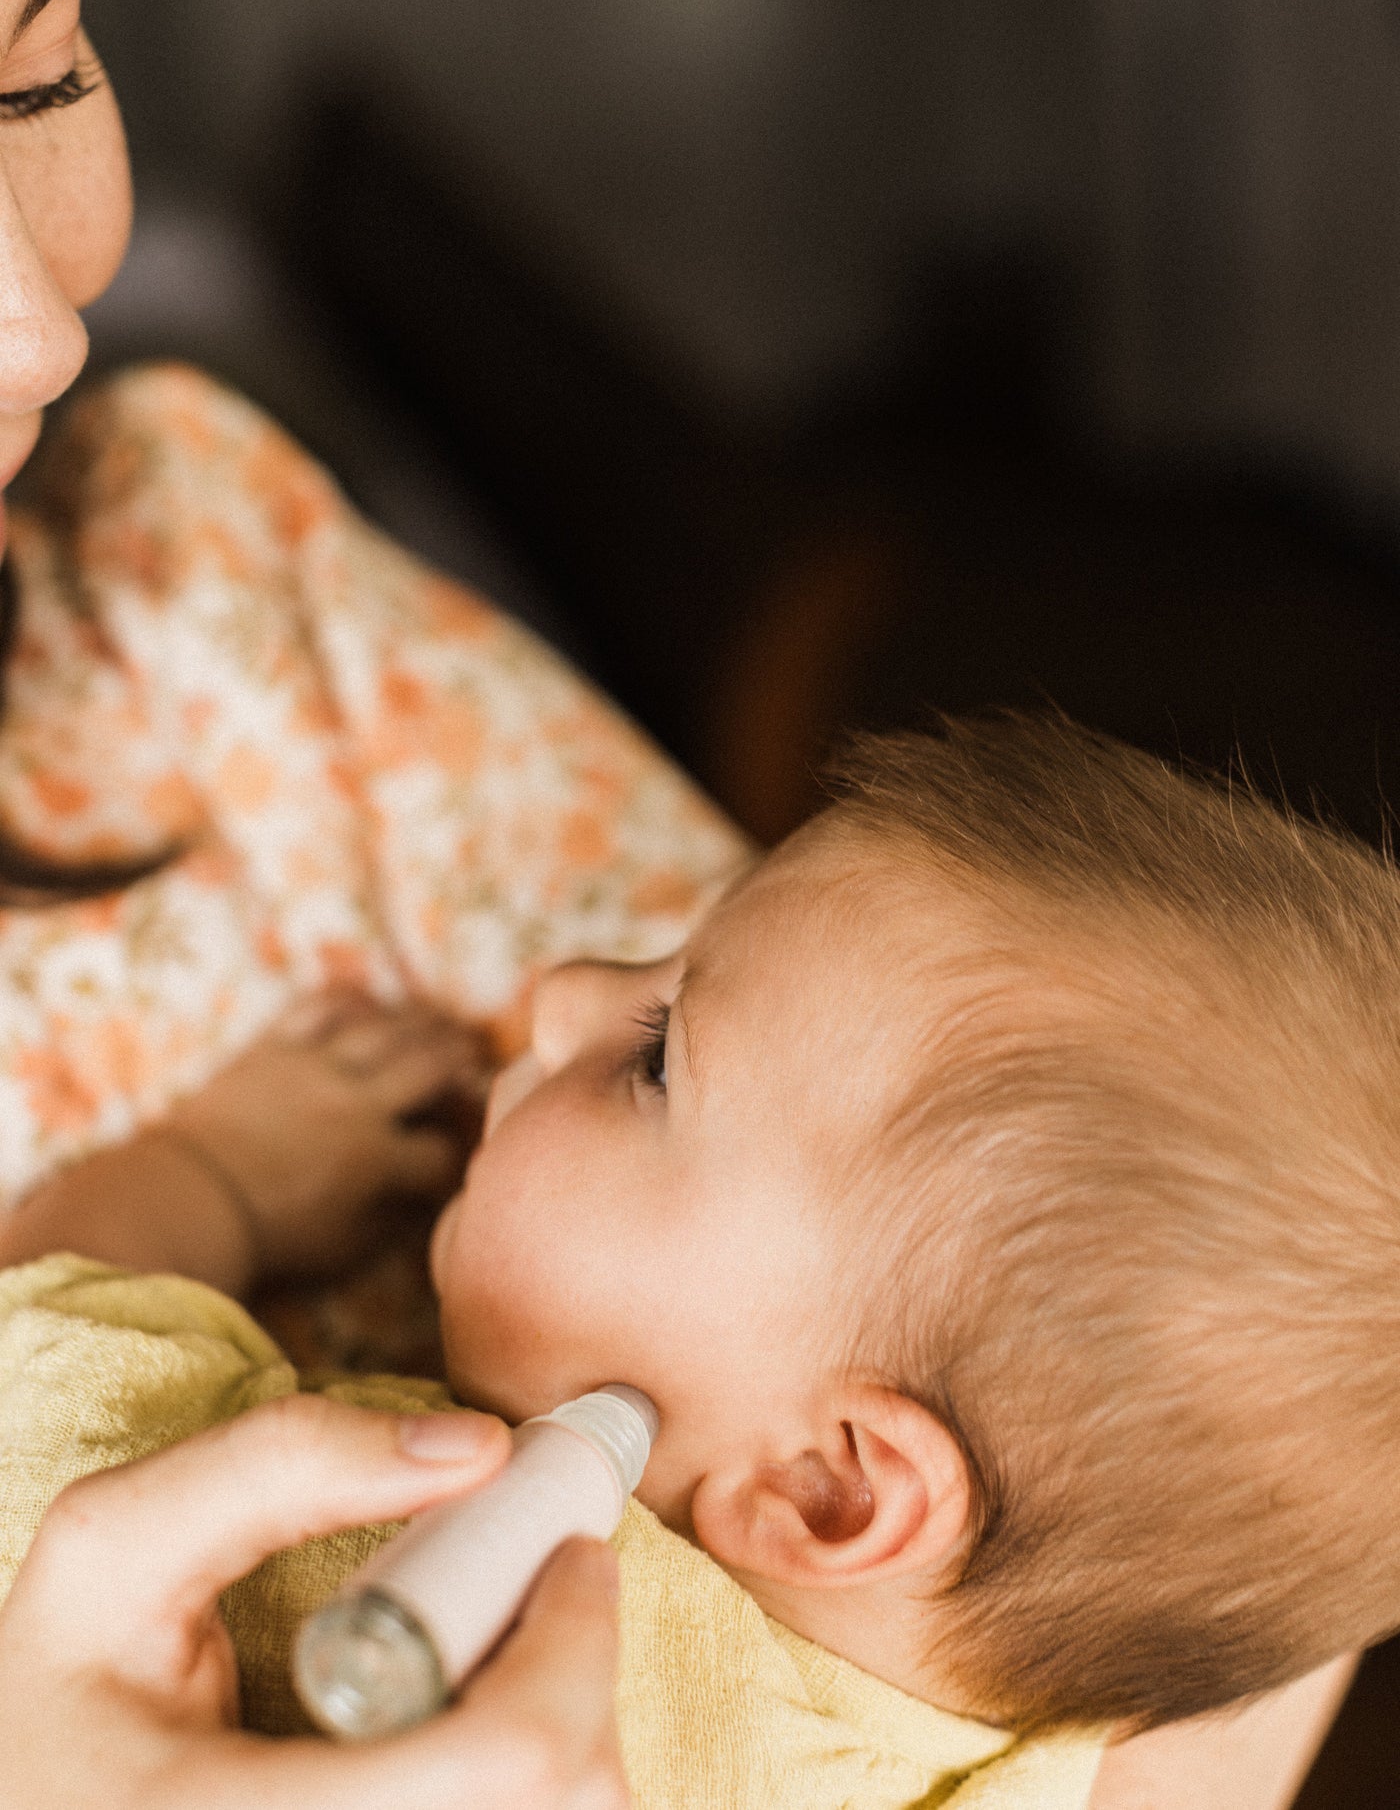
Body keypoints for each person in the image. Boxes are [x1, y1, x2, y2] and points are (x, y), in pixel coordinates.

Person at [0, 0, 1360, 1800]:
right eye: (648, 1041)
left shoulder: (181, 590)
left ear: (839, 1498)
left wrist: (180, 1196)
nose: (39, 330)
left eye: (45, 58)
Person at [3, 716, 1386, 1805]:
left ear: (831, 1487)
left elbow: (35, 1377)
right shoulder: (1058, 1765)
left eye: (659, 1057)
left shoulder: (378, 1574)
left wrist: (206, 1176)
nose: (558, 996)